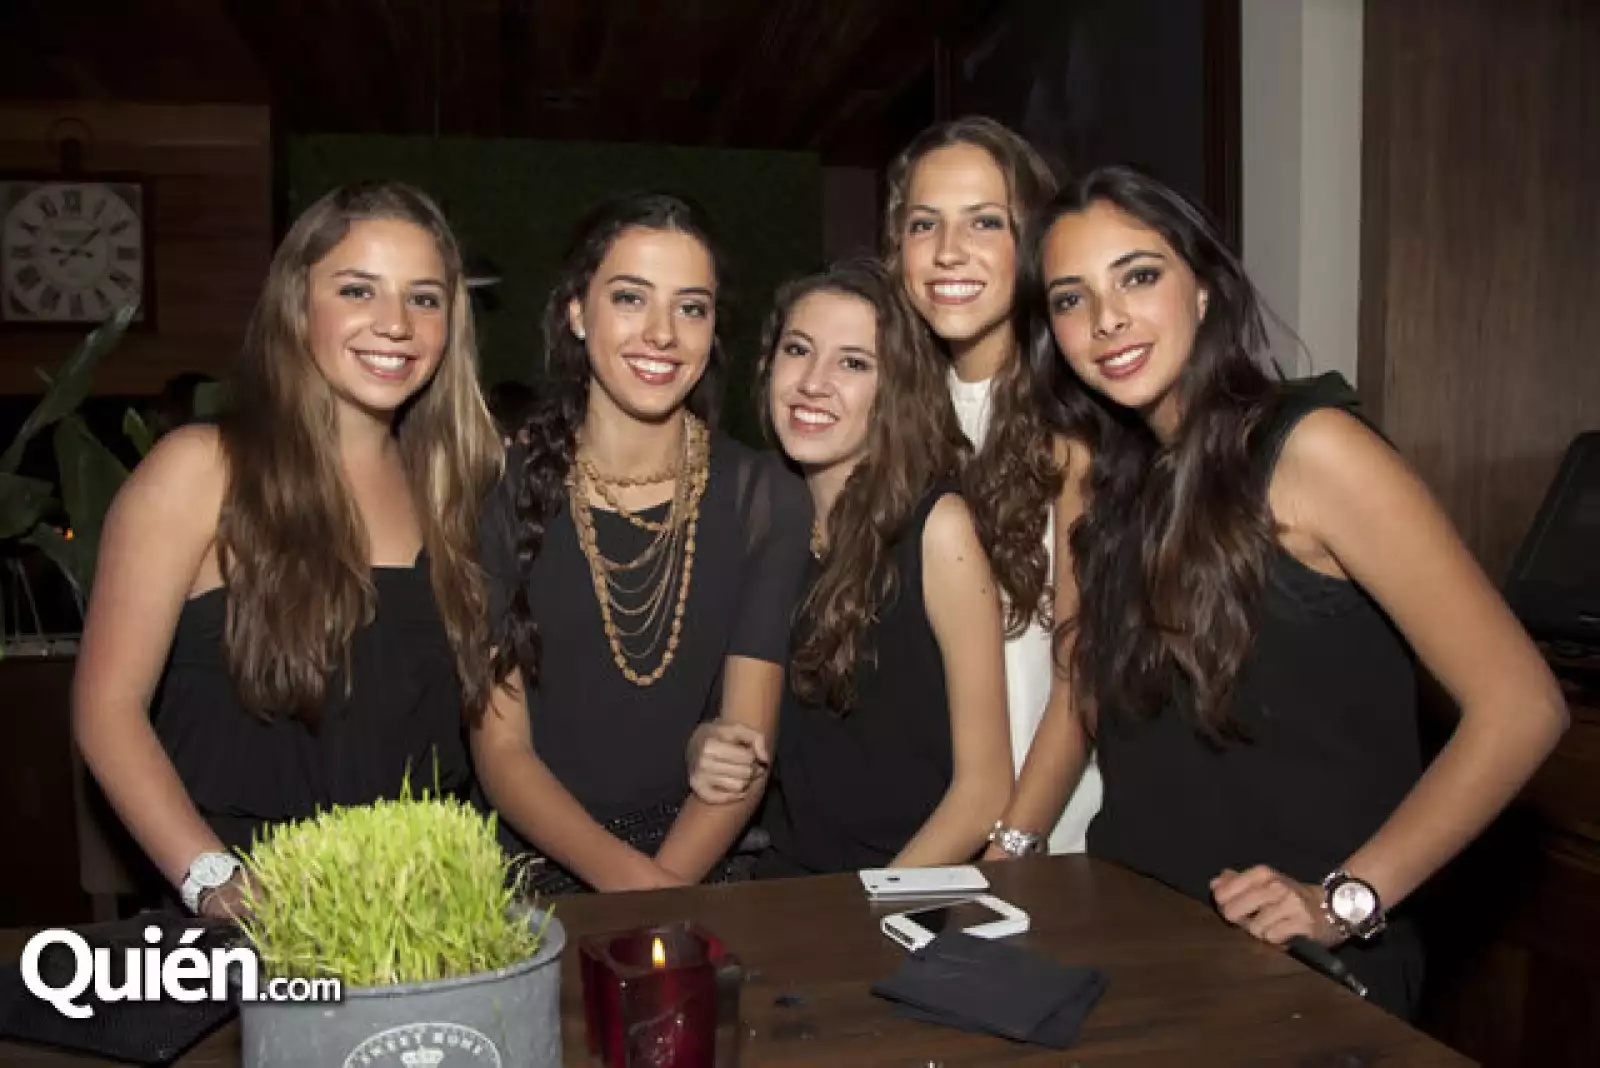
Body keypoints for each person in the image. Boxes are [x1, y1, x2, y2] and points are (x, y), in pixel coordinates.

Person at [1022, 164, 1569, 1017]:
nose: (1106, 318)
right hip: (1136, 943)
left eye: (1139, 275)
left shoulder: (1312, 451)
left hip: (1299, 971)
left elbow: (1524, 706)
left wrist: (1345, 900)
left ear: (1204, 289)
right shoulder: (1109, 489)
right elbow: (1116, 723)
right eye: (1070, 298)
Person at [73, 181, 503, 919]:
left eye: (424, 298)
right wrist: (214, 882)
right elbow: (107, 709)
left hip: (415, 916)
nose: (395, 323)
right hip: (243, 914)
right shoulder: (202, 469)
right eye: (358, 290)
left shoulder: (453, 492)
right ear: (298, 304)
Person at [474, 193, 811, 894]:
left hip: (699, 861)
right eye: (630, 298)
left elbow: (746, 748)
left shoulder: (763, 496)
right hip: (537, 870)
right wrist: (633, 892)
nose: (662, 333)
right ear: (577, 312)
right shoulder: (499, 490)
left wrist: (662, 892)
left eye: (691, 308)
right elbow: (501, 750)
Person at [692, 259, 1014, 875]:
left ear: (897, 390)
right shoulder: (758, 520)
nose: (814, 382)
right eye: (798, 350)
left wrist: (876, 903)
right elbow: (732, 722)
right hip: (784, 888)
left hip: (911, 891)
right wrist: (702, 746)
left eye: (853, 363)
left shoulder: (938, 528)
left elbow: (984, 793)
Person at [883, 116, 1102, 857]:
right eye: (924, 224)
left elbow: (1079, 682)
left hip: (1055, 842)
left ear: (1033, 242)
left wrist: (1008, 850)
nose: (948, 250)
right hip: (933, 827)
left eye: (984, 221)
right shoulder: (894, 416)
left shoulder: (1076, 427)